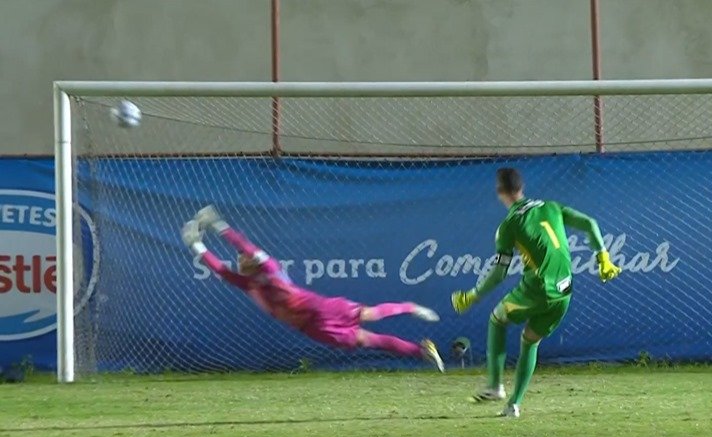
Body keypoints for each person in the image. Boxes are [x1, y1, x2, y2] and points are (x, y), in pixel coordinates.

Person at [181, 206, 444, 371]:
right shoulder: (249, 283)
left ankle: (411, 308)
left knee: (371, 318)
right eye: (241, 260)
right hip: (315, 324)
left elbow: (244, 247)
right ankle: (420, 351)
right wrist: (196, 244)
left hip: (320, 312)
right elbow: (222, 270)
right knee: (369, 338)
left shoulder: (270, 268)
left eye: (243, 258)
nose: (241, 260)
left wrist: (216, 226)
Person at [451, 168, 620, 417]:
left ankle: (496, 386)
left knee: (497, 319)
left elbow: (499, 273)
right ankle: (513, 405)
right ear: (522, 187)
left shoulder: (509, 225)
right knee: (530, 341)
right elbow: (590, 224)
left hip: (539, 288)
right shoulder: (551, 207)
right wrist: (603, 257)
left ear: (500, 192)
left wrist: (473, 295)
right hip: (565, 290)